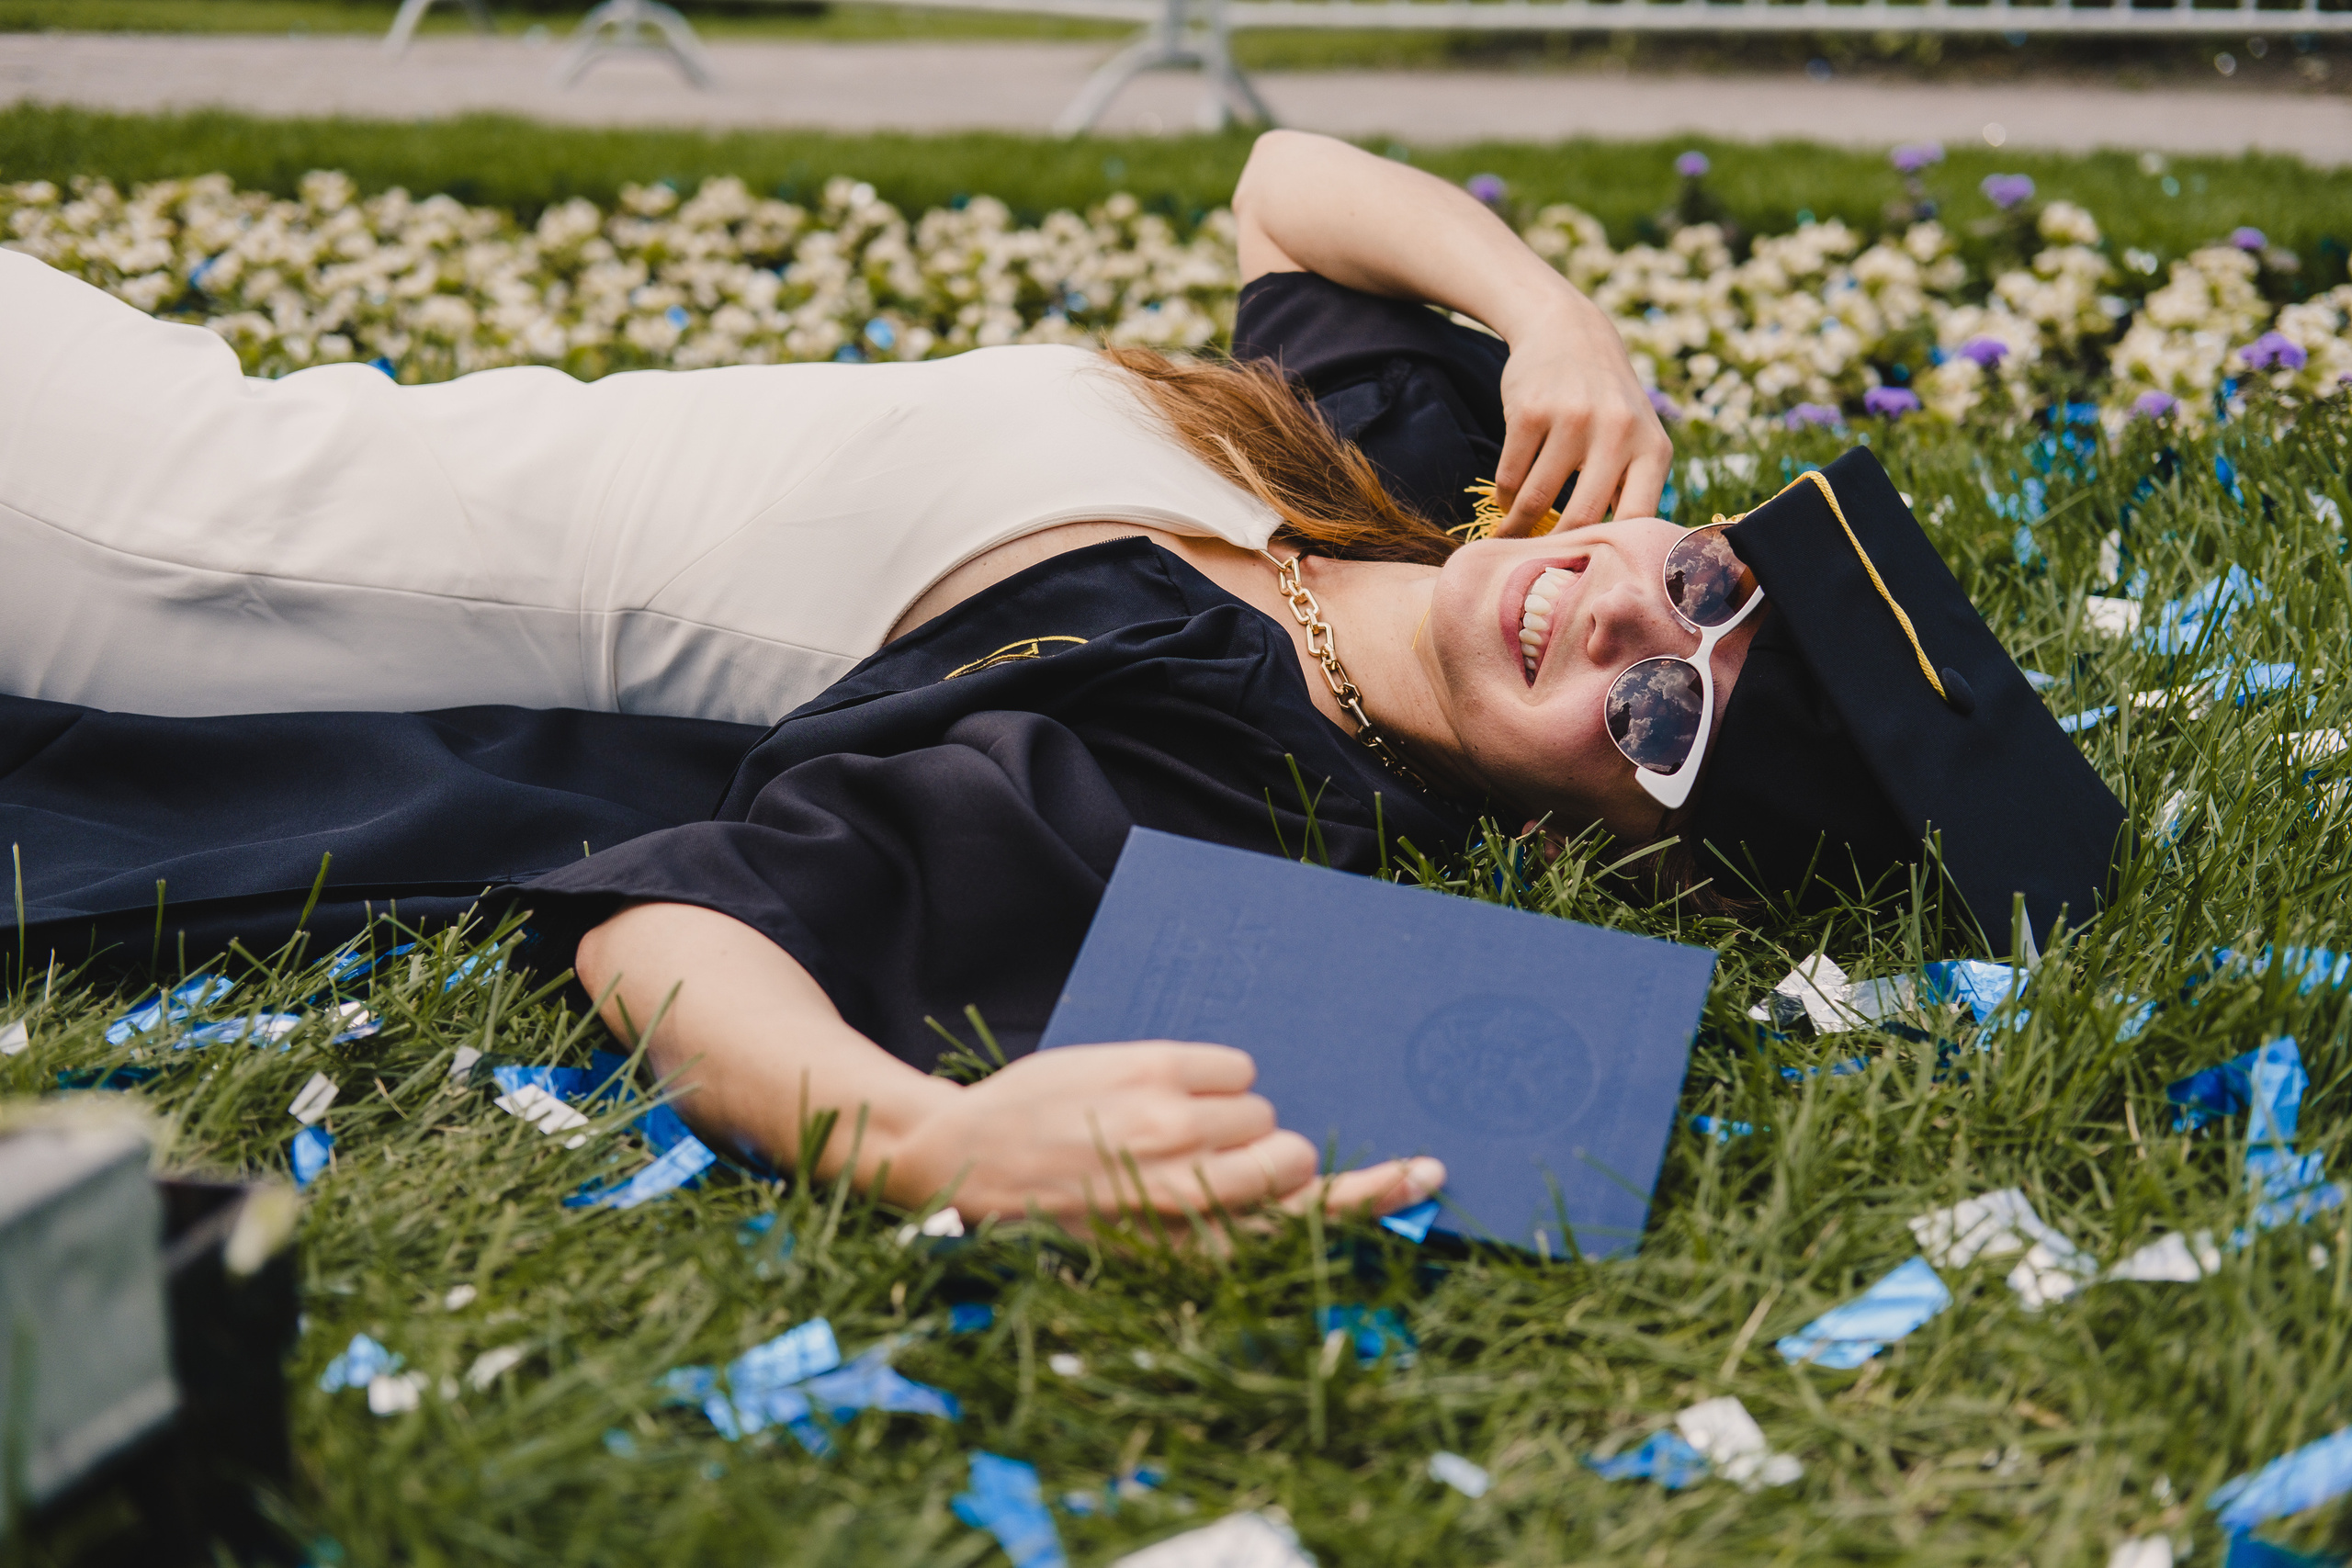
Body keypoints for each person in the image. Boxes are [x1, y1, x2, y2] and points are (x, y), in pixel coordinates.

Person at [1, 134, 2127, 1229]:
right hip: (284, 421)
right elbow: (1281, 188)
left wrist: (927, 1142)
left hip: (184, 557)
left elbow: (676, 926)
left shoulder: (1203, 761)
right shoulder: (1387, 475)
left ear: (1607, 835)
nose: (1616, 621)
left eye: (1657, 720)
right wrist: (1551, 305)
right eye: (1698, 577)